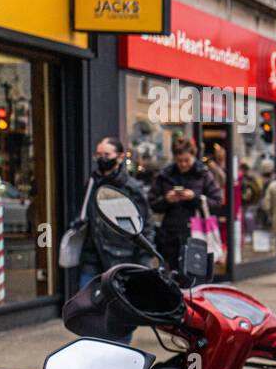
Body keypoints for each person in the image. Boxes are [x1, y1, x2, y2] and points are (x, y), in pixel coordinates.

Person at [76, 138, 153, 342]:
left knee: (121, 313)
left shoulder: (132, 187)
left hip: (122, 259)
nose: (101, 159)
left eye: (106, 155)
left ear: (120, 157)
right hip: (93, 256)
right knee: (88, 309)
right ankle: (94, 351)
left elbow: (146, 226)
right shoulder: (92, 183)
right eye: (98, 155)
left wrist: (142, 263)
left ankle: (121, 356)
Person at [148, 137, 224, 268]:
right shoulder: (165, 175)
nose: (183, 164)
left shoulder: (203, 174)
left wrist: (195, 198)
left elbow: (217, 201)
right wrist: (167, 200)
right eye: (179, 161)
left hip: (196, 234)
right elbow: (152, 202)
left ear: (193, 155)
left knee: (194, 276)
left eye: (187, 160)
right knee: (170, 276)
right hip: (169, 236)